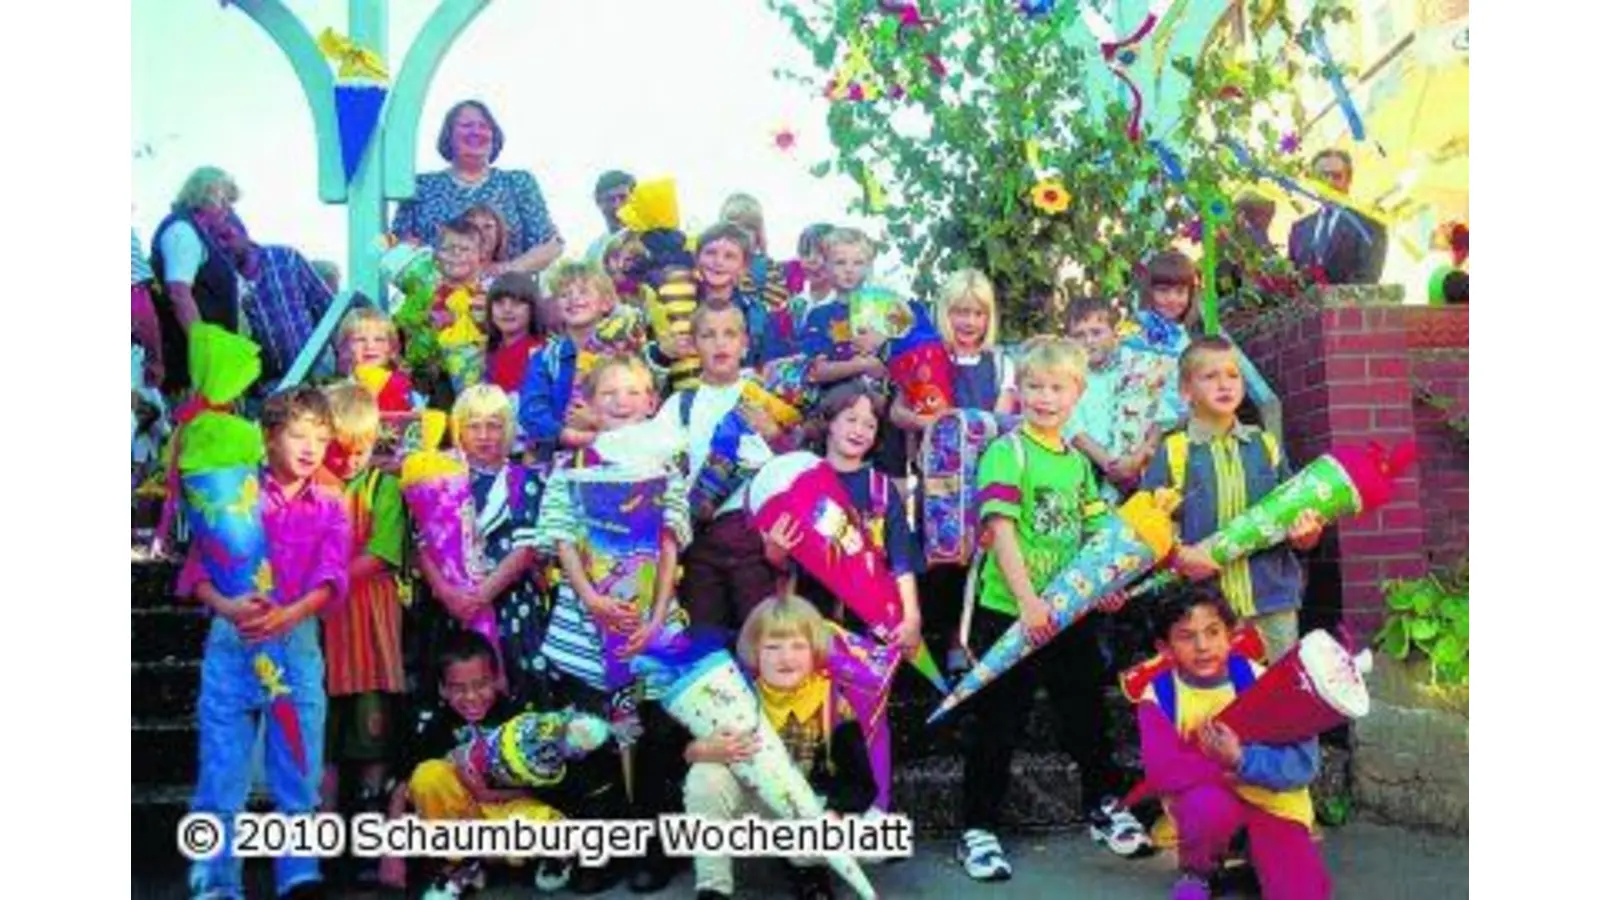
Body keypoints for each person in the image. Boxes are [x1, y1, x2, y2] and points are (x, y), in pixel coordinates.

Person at [954, 337, 1149, 882]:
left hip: (1069, 612)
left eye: (1057, 388)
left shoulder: (1080, 467)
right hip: (1009, 611)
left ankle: (1103, 805)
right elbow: (1000, 529)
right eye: (1034, 387)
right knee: (997, 722)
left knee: (1085, 712)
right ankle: (979, 828)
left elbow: (1095, 534)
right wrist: (1026, 601)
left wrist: (1108, 584)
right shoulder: (1007, 452)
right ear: (1020, 393)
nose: (1044, 398)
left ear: (1077, 394)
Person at [178, 387, 350, 899]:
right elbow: (197, 570)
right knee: (223, 764)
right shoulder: (235, 493)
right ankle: (215, 880)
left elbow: (332, 574)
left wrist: (289, 615)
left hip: (295, 641)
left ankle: (298, 875)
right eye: (298, 435)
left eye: (321, 438)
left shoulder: (331, 500)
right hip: (234, 639)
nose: (309, 447)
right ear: (269, 437)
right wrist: (229, 608)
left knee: (300, 763)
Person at [531, 355, 695, 893]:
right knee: (590, 738)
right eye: (610, 393)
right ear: (589, 403)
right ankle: (598, 852)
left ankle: (655, 852)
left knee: (652, 743)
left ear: (652, 402)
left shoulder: (665, 466)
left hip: (651, 628)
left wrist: (654, 618)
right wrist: (591, 599)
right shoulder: (572, 463)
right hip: (584, 629)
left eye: (634, 393)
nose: (622, 402)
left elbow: (671, 542)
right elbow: (560, 538)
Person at [763, 381, 921, 815]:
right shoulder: (801, 482)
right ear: (828, 423)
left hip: (870, 623)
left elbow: (901, 561)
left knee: (871, 716)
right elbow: (784, 562)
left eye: (870, 423)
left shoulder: (882, 489)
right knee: (815, 714)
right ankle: (818, 812)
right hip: (811, 622)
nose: (860, 429)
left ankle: (879, 809)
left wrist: (912, 619)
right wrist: (774, 552)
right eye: (850, 418)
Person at [1137, 588, 1331, 900]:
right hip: (1212, 810)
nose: (1202, 647)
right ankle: (1198, 870)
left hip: (1276, 809)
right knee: (1205, 806)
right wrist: (1221, 764)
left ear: (1231, 634)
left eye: (1213, 632)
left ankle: (1258, 862)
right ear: (1166, 647)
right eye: (1186, 636)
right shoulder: (1159, 696)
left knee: (1303, 892)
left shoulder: (1268, 682)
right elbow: (1162, 773)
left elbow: (1302, 765)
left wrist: (1241, 759)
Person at [1142, 337, 1324, 663]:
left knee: (1278, 694)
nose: (1224, 384)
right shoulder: (1173, 451)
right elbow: (1145, 530)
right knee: (1218, 701)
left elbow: (1297, 520)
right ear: (1186, 391)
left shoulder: (1265, 445)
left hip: (1272, 602)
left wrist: (1307, 537)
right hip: (1205, 612)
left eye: (1233, 375)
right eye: (1210, 377)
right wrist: (1179, 555)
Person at [683, 595, 877, 900]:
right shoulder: (736, 695)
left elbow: (862, 784)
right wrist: (704, 750)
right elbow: (687, 751)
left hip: (810, 806)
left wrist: (837, 812)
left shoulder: (835, 705)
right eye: (773, 647)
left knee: (871, 841)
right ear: (754, 653)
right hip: (756, 805)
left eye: (798, 646)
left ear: (814, 652)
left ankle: (808, 868)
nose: (786, 658)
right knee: (704, 775)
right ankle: (712, 886)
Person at [633, 304, 790, 634]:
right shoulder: (680, 404)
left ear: (745, 342)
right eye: (708, 335)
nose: (720, 344)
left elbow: (792, 470)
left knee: (760, 640)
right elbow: (655, 468)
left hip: (755, 542)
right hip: (699, 541)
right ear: (693, 345)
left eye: (729, 334)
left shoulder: (766, 398)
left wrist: (774, 433)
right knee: (704, 642)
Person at [382, 631, 574, 897]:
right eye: (459, 688)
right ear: (443, 689)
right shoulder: (435, 725)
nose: (471, 697)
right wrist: (391, 856)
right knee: (426, 775)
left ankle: (540, 857)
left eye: (481, 684)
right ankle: (461, 864)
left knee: (552, 826)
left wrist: (488, 793)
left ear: (497, 679)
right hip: (464, 818)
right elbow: (404, 786)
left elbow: (545, 787)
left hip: (506, 812)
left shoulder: (518, 719)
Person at [895, 269, 1018, 673]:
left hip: (983, 476)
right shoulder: (928, 358)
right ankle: (936, 642)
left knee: (980, 558)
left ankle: (968, 642)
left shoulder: (1001, 363)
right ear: (945, 313)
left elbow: (1001, 418)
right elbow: (897, 410)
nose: (969, 322)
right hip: (936, 482)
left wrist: (966, 424)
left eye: (978, 313)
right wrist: (930, 424)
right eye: (960, 312)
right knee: (940, 561)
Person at [315, 384, 406, 887]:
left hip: (368, 632)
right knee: (326, 745)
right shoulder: (310, 485)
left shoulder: (381, 487)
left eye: (361, 448)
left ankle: (372, 843)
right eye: (337, 448)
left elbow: (381, 554)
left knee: (372, 741)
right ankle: (326, 847)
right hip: (322, 635)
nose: (349, 459)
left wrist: (321, 579)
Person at [448, 385, 550, 701]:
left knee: (516, 688)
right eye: (474, 425)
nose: (484, 435)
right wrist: (453, 596)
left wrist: (480, 597)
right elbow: (426, 545)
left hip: (512, 604)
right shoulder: (445, 478)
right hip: (453, 604)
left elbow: (525, 551)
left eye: (493, 425)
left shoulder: (524, 480)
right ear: (458, 429)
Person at [391, 100, 564, 277]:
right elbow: (398, 247)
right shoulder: (421, 186)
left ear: (494, 136)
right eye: (466, 125)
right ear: (448, 135)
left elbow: (550, 246)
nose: (476, 131)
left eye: (484, 126)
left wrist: (500, 271)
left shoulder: (518, 182)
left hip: (507, 298)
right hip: (436, 299)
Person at [1124, 250, 1282, 442]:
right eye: (1163, 291)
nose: (1172, 299)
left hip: (1188, 433)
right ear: (1148, 292)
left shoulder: (1188, 340)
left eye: (1180, 292)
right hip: (1143, 435)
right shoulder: (1132, 337)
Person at [1063, 295, 1171, 503]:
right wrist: (1109, 464)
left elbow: (1159, 415)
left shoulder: (1138, 366)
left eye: (1096, 332)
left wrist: (1139, 457)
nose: (1089, 341)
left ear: (1114, 333)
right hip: (1091, 469)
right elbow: (1073, 429)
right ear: (1068, 340)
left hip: (1140, 466)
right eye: (1079, 335)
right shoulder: (1069, 377)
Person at [148, 166, 247, 393]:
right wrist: (204, 352)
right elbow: (179, 295)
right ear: (204, 197)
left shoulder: (201, 235)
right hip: (189, 369)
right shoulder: (182, 231)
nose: (229, 210)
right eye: (224, 201)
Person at [518, 261, 615, 460]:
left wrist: (598, 422)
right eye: (564, 294)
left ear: (605, 303)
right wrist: (567, 435)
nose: (573, 299)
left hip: (612, 452)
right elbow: (531, 411)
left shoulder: (620, 353)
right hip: (558, 456)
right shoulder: (545, 357)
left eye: (583, 292)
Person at [800, 228, 887, 389]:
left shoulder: (884, 310)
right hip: (836, 396)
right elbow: (815, 371)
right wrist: (862, 365)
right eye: (840, 262)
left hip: (880, 395)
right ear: (826, 267)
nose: (849, 269)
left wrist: (883, 340)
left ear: (869, 267)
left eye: (858, 263)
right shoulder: (819, 315)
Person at [1287, 149, 1387, 285]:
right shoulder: (1299, 229)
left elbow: (1367, 279)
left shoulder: (1369, 225)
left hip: (1351, 305)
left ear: (1349, 180)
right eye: (1323, 176)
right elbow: (1292, 279)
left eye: (1337, 176)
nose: (1329, 182)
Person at [484, 272, 547, 402]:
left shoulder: (542, 352)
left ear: (532, 309)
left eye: (517, 303)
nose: (507, 310)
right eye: (500, 303)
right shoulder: (490, 351)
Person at [583, 170, 636, 263]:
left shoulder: (652, 239)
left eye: (623, 197)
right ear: (598, 202)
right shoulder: (594, 252)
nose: (617, 205)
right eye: (610, 199)